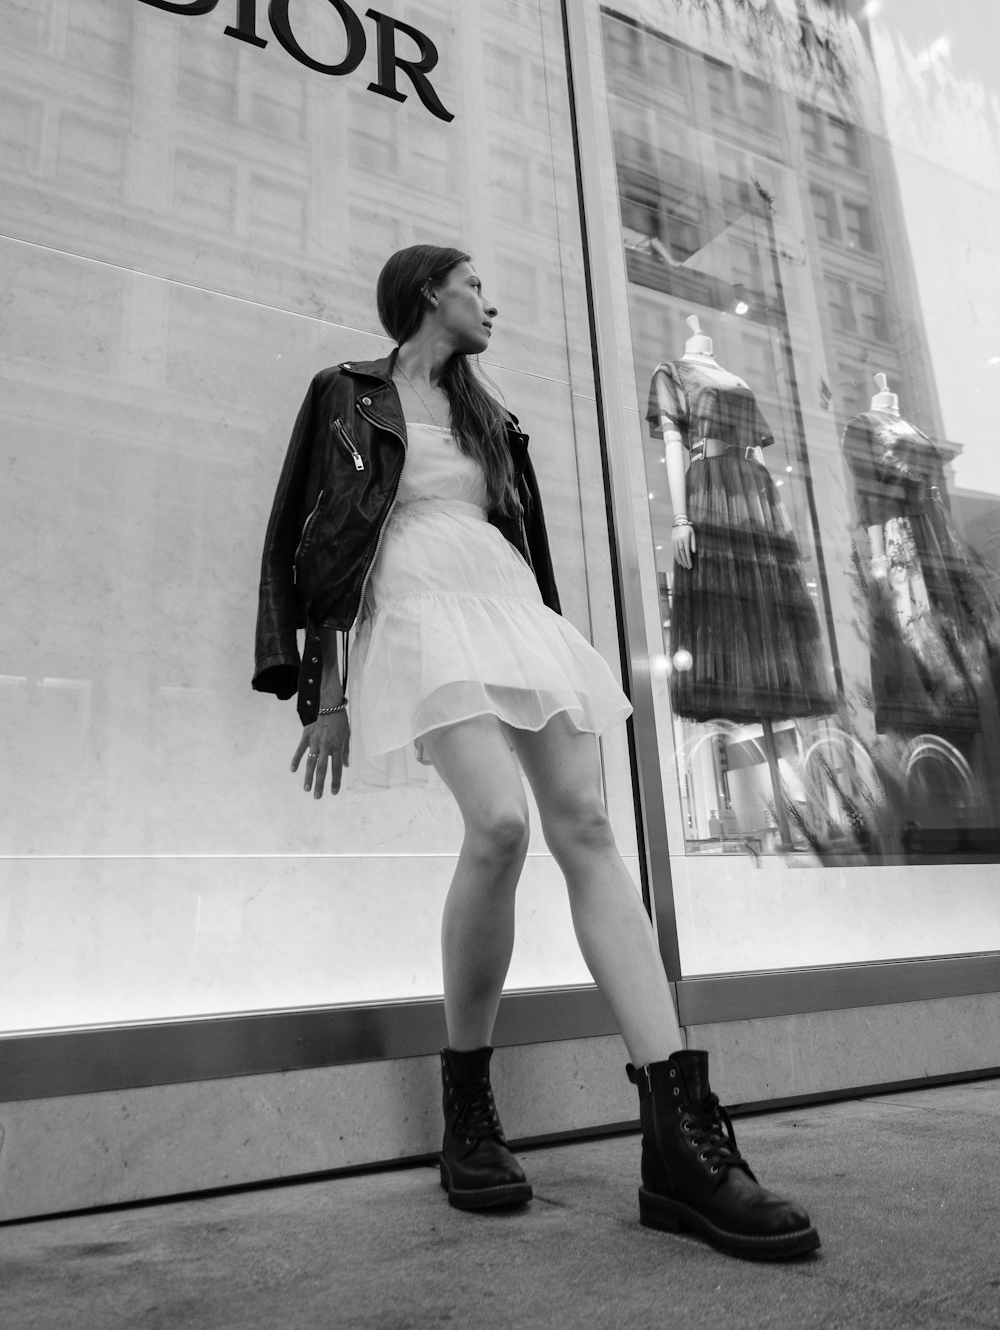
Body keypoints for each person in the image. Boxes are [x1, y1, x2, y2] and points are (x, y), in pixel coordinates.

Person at [253, 244, 820, 1261]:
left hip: (505, 605)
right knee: (501, 826)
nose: (490, 304)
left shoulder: (489, 420)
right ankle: (467, 1100)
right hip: (415, 616)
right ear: (431, 294)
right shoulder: (344, 394)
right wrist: (322, 693)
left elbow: (518, 540)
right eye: (475, 288)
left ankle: (679, 1136)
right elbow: (312, 540)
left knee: (588, 828)